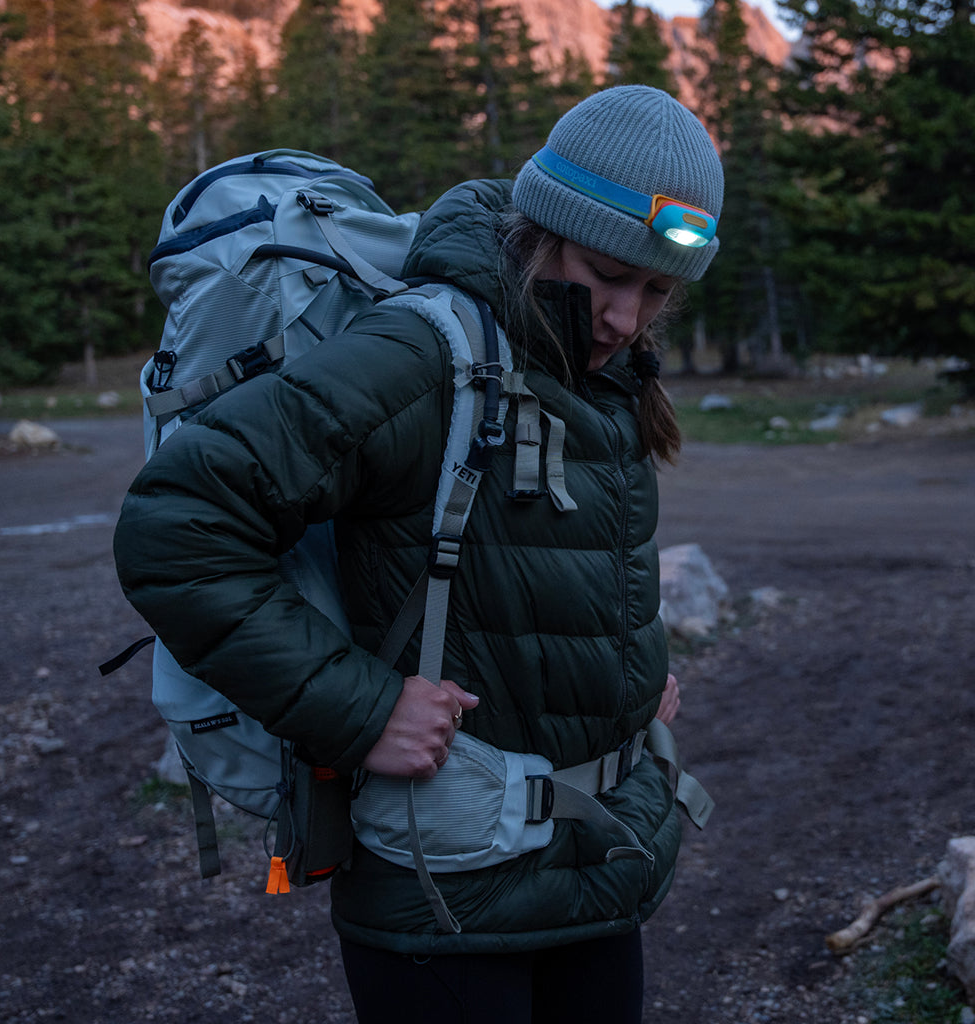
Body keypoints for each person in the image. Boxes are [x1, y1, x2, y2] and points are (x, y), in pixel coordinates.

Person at [113, 85, 723, 1024]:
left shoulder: (597, 371)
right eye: (607, 274)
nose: (628, 319)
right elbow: (178, 522)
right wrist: (361, 710)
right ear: (540, 234)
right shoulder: (422, 352)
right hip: (448, 893)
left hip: (598, 865)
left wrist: (631, 676)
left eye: (656, 290)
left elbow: (538, 567)